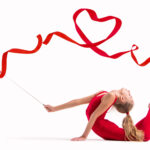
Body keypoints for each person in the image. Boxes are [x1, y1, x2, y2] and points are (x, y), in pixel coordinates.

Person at [43, 88, 150, 142]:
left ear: (122, 99)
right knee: (138, 134)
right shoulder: (105, 92)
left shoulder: (111, 96)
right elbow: (78, 101)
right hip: (102, 127)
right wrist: (54, 108)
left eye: (129, 95)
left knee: (143, 136)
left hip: (102, 127)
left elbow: (94, 115)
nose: (129, 91)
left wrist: (84, 136)